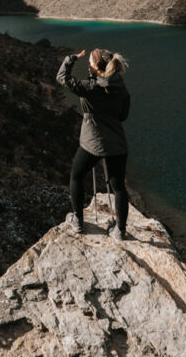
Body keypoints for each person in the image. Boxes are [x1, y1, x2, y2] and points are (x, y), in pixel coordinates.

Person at [57, 47, 130, 240]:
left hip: (92, 142)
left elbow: (62, 77)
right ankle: (120, 231)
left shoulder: (90, 88)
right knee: (119, 187)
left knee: (76, 176)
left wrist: (71, 59)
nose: (88, 66)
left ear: (96, 67)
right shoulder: (120, 86)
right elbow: (123, 115)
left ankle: (78, 221)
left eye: (89, 62)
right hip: (116, 143)